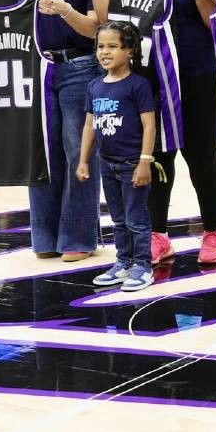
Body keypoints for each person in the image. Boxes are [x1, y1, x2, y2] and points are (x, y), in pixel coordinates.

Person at [91, 0, 216, 265]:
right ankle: (158, 234)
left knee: (201, 156)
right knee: (157, 155)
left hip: (196, 75)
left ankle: (212, 231)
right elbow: (110, 20)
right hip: (150, 77)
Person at [23, 0, 105, 262]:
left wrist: (66, 11)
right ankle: (44, 235)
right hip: (40, 69)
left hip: (80, 68)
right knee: (41, 152)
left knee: (78, 152)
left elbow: (96, 28)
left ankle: (78, 236)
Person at [77, 21, 159, 293]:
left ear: (130, 50)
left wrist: (145, 161)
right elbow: (89, 125)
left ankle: (143, 266)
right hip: (106, 163)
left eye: (113, 46)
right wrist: (83, 160)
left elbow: (149, 125)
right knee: (118, 219)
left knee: (136, 219)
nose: (104, 52)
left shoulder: (138, 85)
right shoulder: (94, 86)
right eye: (100, 46)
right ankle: (123, 262)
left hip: (132, 164)